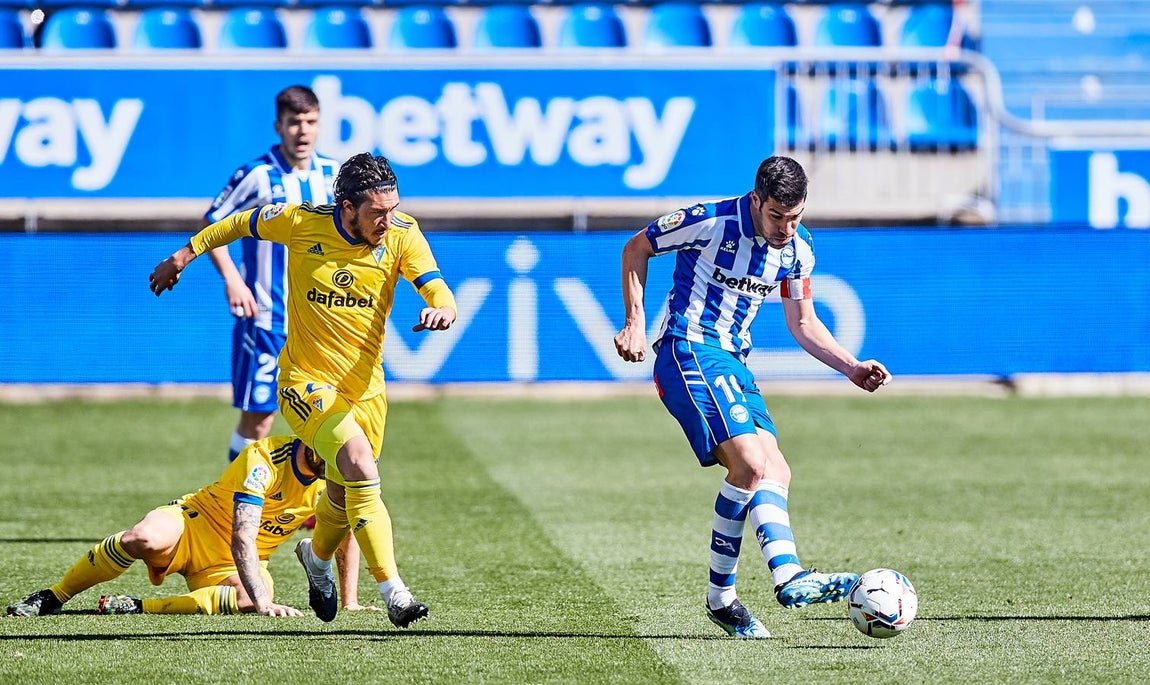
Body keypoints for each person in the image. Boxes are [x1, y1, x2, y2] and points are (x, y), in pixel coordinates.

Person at [148, 153, 457, 629]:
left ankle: (315, 558)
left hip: (366, 389)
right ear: (347, 206)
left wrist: (443, 309)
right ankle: (394, 590)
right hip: (304, 382)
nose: (388, 219)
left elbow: (435, 285)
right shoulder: (299, 221)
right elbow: (234, 224)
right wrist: (182, 257)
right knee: (358, 462)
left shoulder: (401, 233)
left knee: (342, 491)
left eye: (393, 208)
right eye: (378, 211)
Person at [612, 155, 892, 639]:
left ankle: (729, 598)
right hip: (688, 349)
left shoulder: (799, 249)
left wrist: (851, 366)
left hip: (735, 363)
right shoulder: (711, 221)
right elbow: (637, 247)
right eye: (777, 216)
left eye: (796, 217)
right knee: (750, 463)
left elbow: (803, 323)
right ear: (757, 199)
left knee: (774, 468)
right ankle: (790, 578)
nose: (786, 227)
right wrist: (635, 321)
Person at [6, 436, 351, 617]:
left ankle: (137, 606)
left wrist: (348, 601)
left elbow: (344, 529)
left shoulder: (333, 481)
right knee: (141, 537)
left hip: (230, 565)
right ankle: (54, 596)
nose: (341, 461)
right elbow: (242, 535)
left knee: (250, 596)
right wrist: (264, 603)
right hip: (193, 523)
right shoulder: (265, 459)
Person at [206, 84, 340, 464]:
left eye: (310, 121)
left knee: (325, 415)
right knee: (260, 417)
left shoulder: (333, 176)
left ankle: (314, 507)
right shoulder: (257, 175)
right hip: (265, 317)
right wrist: (233, 279)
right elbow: (212, 224)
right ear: (278, 126)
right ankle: (236, 503)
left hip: (317, 321)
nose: (303, 131)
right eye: (294, 122)